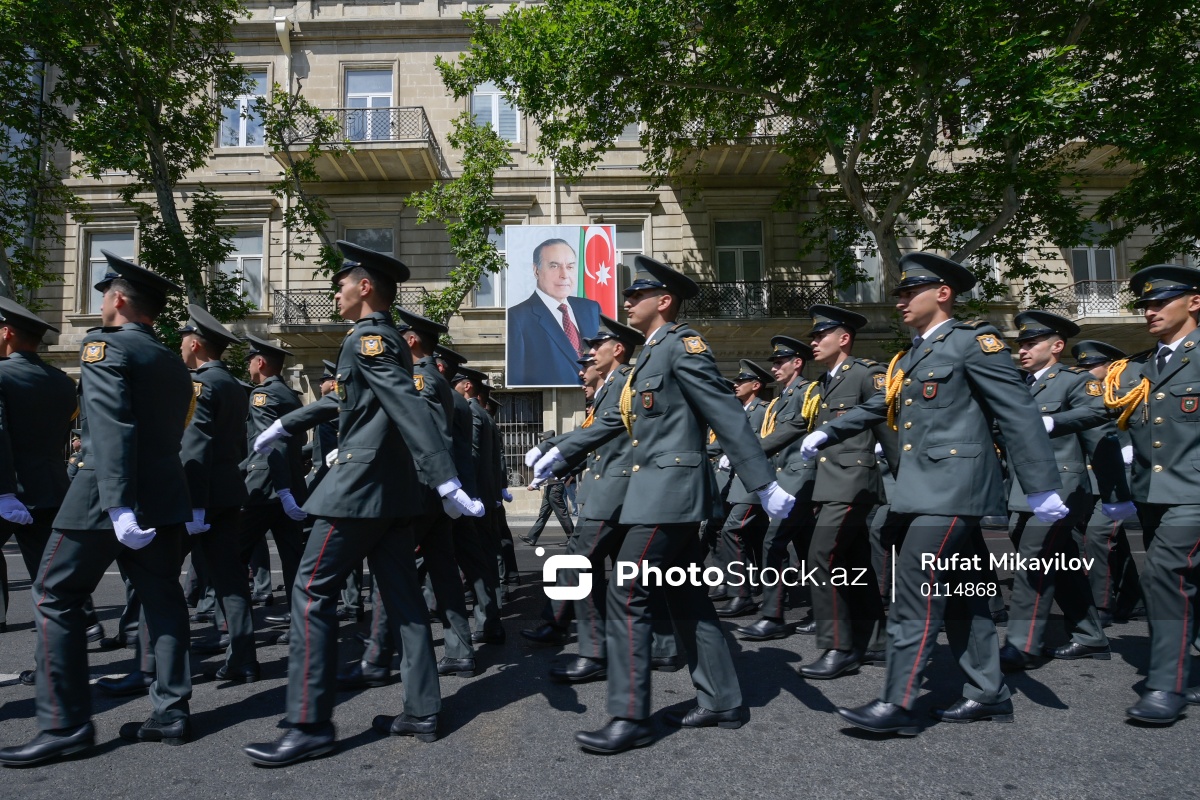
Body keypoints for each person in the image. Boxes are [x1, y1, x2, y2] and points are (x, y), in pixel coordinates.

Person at [529, 255, 796, 754]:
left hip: (671, 496)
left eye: (637, 295)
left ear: (665, 301)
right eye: (629, 294)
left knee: (626, 592)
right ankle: (722, 701)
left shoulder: (682, 347)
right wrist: (562, 451)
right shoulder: (649, 358)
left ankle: (630, 717)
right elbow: (617, 421)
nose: (628, 301)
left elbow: (725, 413)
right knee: (686, 598)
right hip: (654, 496)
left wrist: (762, 483)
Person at [802, 251, 1067, 736]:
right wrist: (827, 431)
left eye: (909, 292)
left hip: (954, 489)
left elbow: (1018, 412)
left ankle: (899, 702)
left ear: (943, 293)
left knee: (914, 588)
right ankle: (987, 693)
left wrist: (1041, 486)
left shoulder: (973, 342)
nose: (899, 301)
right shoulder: (912, 355)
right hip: (926, 490)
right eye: (899, 293)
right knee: (966, 596)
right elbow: (882, 405)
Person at [242, 241, 482, 765]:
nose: (336, 292)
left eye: (341, 283)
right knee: (404, 602)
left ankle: (309, 724)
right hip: (389, 495)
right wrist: (287, 423)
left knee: (309, 592)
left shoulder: (370, 337)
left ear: (365, 286)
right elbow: (347, 398)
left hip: (357, 490)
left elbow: (403, 402)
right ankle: (422, 709)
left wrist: (444, 479)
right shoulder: (374, 339)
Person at [0, 252, 195, 765]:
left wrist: (117, 504)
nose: (102, 299)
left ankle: (64, 725)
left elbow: (111, 427)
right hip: (163, 493)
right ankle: (172, 711)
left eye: (105, 291)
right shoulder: (170, 358)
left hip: (103, 496)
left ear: (119, 299)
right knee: (163, 599)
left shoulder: (104, 346)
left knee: (53, 595)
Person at [522, 315, 682, 681]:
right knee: (624, 574)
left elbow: (604, 433)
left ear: (618, 349)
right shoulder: (615, 385)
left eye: (597, 347)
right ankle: (662, 647)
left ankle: (593, 651)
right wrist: (557, 459)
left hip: (615, 493)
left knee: (578, 565)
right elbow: (595, 440)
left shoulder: (625, 382)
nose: (590, 354)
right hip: (617, 493)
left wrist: (551, 449)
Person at [338, 307, 479, 687]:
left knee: (390, 573)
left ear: (412, 340)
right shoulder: (436, 380)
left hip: (419, 490)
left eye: (400, 337)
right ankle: (460, 650)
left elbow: (424, 435)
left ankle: (376, 657)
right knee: (444, 574)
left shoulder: (420, 379)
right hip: (435, 493)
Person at [758, 304, 895, 678]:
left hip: (853, 482)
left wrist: (903, 477)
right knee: (855, 564)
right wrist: (748, 453)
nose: (814, 342)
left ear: (844, 338)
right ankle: (877, 642)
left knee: (822, 556)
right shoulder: (822, 384)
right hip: (830, 484)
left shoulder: (867, 373)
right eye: (814, 336)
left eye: (821, 335)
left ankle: (839, 646)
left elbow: (886, 412)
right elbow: (796, 426)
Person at [998, 311, 1131, 672]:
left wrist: (1115, 495)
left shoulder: (1075, 381)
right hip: (1024, 490)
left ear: (1057, 346)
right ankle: (1090, 635)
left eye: (1030, 343)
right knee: (1062, 562)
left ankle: (1023, 645)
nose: (1022, 350)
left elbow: (1100, 433)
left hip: (1063, 488)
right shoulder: (1020, 385)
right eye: (1021, 344)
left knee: (1034, 560)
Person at [1102, 264, 1200, 725]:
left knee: (1164, 574)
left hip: (1194, 494)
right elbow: (1096, 410)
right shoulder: (1138, 367)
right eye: (1146, 304)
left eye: (1161, 302)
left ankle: (1166, 684)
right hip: (1152, 494)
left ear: (1194, 302)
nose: (1150, 311)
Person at [0, 299, 79, 641]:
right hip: (48, 487)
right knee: (50, 578)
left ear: (6, 332)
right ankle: (69, 639)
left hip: (9, 488)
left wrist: (4, 490)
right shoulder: (62, 381)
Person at [734, 336, 820, 642]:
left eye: (780, 362)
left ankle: (774, 616)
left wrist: (750, 452)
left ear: (797, 363)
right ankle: (825, 612)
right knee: (811, 549)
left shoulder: (809, 391)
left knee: (774, 542)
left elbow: (797, 431)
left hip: (803, 478)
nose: (775, 367)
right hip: (786, 478)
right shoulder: (782, 398)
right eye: (774, 362)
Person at [1070, 340, 1144, 624]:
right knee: (1115, 541)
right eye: (1083, 365)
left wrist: (1131, 448)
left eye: (1093, 365)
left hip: (1123, 477)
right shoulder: (1082, 394)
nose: (1087, 370)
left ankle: (1101, 606)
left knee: (1098, 536)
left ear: (1111, 366)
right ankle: (1133, 599)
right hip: (1093, 478)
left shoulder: (1128, 392)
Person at [241, 334, 309, 639]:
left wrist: (281, 490)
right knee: (293, 557)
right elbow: (299, 439)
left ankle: (232, 627)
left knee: (231, 556)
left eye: (249, 362)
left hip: (266, 487)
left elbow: (275, 444)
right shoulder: (289, 395)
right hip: (289, 485)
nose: (248, 368)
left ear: (260, 362)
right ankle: (300, 622)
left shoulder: (262, 395)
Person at [712, 359, 774, 618]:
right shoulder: (740, 411)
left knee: (733, 530)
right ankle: (746, 584)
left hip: (754, 481)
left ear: (756, 385)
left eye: (742, 381)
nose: (736, 384)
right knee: (750, 536)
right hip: (736, 482)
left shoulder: (764, 410)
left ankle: (742, 594)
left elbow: (766, 442)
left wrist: (736, 455)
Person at [507, 237, 602, 386]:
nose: (564, 274)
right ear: (536, 271)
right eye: (554, 266)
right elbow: (517, 378)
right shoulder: (517, 318)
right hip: (552, 399)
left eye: (570, 267)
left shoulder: (591, 309)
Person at [521, 430, 575, 547]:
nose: (543, 443)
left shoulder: (555, 453)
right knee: (543, 514)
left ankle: (573, 538)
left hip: (555, 486)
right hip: (550, 487)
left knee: (562, 514)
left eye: (544, 440)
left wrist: (534, 484)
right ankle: (532, 537)